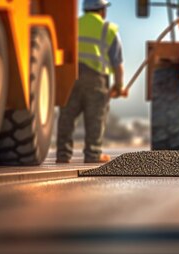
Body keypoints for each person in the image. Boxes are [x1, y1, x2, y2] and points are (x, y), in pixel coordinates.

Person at [56, 0, 127, 164]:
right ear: (102, 10)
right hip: (96, 79)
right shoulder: (108, 29)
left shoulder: (72, 25)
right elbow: (118, 65)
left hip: (70, 76)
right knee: (96, 117)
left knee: (66, 116)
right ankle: (92, 154)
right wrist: (118, 86)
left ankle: (62, 154)